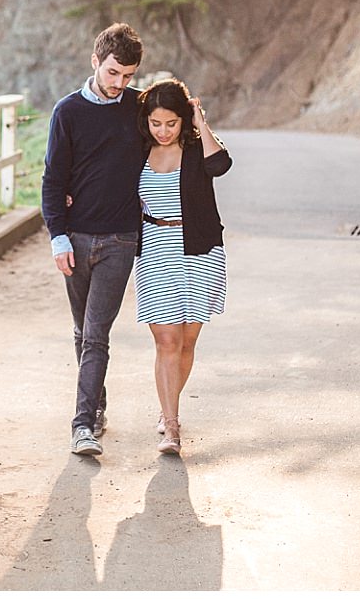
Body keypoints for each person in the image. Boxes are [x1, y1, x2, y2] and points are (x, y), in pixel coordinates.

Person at [41, 23, 151, 457]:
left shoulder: (138, 107)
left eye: (128, 76)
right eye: (113, 74)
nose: (120, 84)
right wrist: (58, 237)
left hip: (121, 239)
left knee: (96, 333)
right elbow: (53, 179)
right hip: (76, 239)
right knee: (81, 329)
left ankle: (83, 425)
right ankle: (97, 404)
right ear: (95, 62)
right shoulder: (67, 112)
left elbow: (171, 131)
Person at [134, 77, 231, 456]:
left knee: (187, 342)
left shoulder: (195, 148)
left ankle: (166, 408)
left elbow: (221, 164)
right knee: (166, 341)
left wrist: (198, 120)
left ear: (182, 119)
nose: (162, 131)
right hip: (156, 252)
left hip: (199, 252)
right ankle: (171, 426)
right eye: (156, 123)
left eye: (170, 123)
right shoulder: (138, 150)